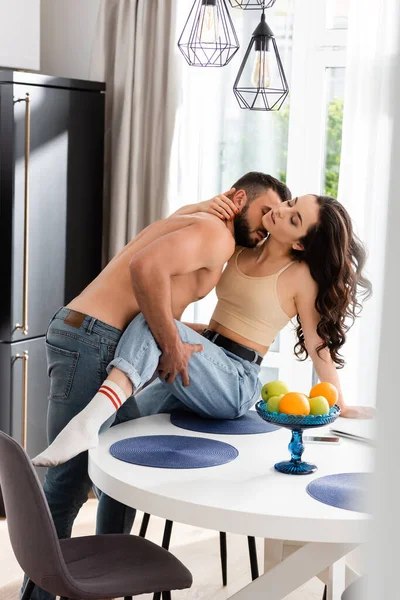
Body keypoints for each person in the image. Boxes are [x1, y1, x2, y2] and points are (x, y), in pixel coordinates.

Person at [27, 171, 289, 600]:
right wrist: (172, 345)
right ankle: (40, 594)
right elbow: (144, 268)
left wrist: (194, 336)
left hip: (87, 333)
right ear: (239, 198)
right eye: (264, 213)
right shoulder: (214, 232)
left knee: (121, 463)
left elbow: (158, 289)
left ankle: (107, 579)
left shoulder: (194, 218)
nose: (264, 229)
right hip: (95, 339)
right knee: (67, 485)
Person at [33, 192, 373, 469]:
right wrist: (201, 207)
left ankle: (87, 422)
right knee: (123, 441)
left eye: (294, 219)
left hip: (236, 380)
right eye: (290, 203)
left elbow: (319, 345)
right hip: (202, 362)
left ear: (300, 244)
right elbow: (170, 233)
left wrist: (339, 403)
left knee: (154, 320)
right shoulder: (240, 249)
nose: (282, 211)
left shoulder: (299, 277)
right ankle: (114, 533)